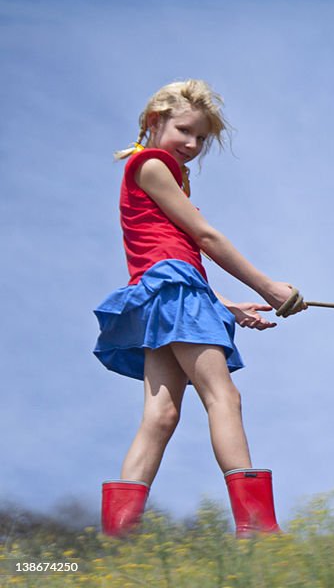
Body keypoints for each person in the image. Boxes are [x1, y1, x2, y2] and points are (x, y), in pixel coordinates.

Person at [93, 80, 304, 538]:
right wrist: (267, 286)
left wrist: (224, 304)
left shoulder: (158, 172)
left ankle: (118, 540)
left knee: (161, 415)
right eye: (185, 131)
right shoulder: (151, 164)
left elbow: (170, 259)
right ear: (155, 122)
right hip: (174, 294)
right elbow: (206, 239)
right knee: (223, 397)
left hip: (163, 296)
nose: (192, 144)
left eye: (201, 138)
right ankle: (257, 529)